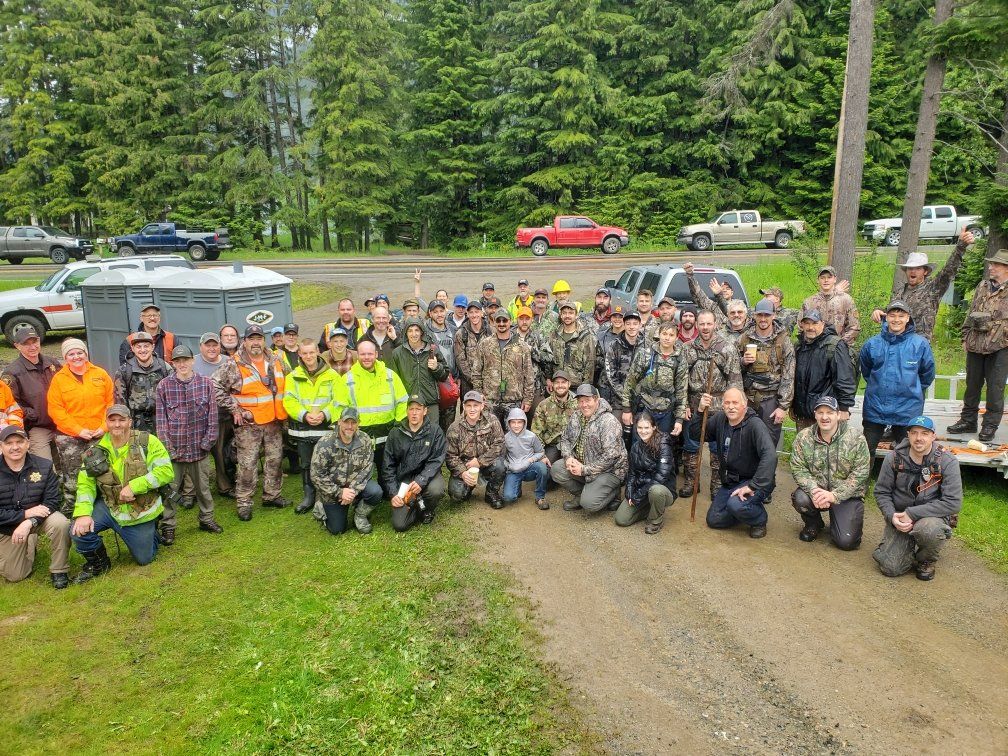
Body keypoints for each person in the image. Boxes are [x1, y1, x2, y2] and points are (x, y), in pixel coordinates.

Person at [69, 405, 174, 583]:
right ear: (106, 423)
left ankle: (151, 534)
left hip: (140, 510)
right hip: (110, 507)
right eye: (112, 420)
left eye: (122, 420)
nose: (117, 424)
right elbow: (85, 485)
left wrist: (135, 486)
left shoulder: (147, 441)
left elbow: (166, 471)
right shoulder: (94, 452)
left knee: (144, 559)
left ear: (130, 422)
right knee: (77, 530)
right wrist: (83, 514)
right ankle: (99, 563)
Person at [873, 415, 963, 581]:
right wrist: (892, 516)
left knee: (928, 530)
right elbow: (881, 492)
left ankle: (926, 560)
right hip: (901, 519)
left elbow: (953, 502)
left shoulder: (948, 461)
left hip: (931, 518)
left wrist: (913, 513)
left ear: (933, 436)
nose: (919, 438)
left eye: (924, 433)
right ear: (908, 435)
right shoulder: (893, 458)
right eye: (914, 432)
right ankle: (898, 545)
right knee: (890, 568)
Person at [213, 324, 289, 521]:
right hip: (248, 425)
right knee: (247, 465)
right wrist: (233, 407)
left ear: (264, 340)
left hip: (274, 421)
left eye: (259, 338)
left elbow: (290, 380)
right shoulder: (234, 364)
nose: (255, 342)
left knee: (275, 460)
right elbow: (214, 386)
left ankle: (272, 495)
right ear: (244, 342)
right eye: (251, 339)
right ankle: (244, 503)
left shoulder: (276, 359)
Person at [155, 345, 221, 544]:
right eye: (177, 361)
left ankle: (207, 519)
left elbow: (213, 417)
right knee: (171, 491)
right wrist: (168, 448)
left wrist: (207, 442)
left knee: (203, 489)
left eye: (185, 360)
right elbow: (161, 421)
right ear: (173, 363)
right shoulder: (163, 386)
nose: (182, 364)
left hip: (199, 449)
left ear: (193, 361)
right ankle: (168, 526)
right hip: (174, 452)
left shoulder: (206, 384)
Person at [789, 396, 870, 549]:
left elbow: (861, 473)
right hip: (817, 491)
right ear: (815, 415)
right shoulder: (803, 437)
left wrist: (835, 495)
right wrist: (813, 489)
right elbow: (798, 468)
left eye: (830, 412)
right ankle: (814, 524)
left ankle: (839, 523)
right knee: (800, 498)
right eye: (820, 412)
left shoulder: (856, 438)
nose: (824, 417)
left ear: (838, 415)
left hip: (847, 496)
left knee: (846, 542)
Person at [678, 311, 743, 498]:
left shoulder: (726, 348)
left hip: (720, 406)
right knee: (691, 445)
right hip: (694, 404)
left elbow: (735, 380)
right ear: (697, 325)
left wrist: (733, 408)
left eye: (709, 324)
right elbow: (681, 380)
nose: (705, 327)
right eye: (702, 324)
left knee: (718, 448)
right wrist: (684, 405)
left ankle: (716, 485)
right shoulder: (687, 348)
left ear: (715, 324)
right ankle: (691, 482)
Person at [859, 300, 935, 460]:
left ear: (908, 318)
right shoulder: (872, 344)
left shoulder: (920, 344)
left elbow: (927, 374)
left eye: (901, 315)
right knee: (866, 451)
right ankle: (861, 484)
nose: (896, 319)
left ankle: (903, 484)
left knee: (907, 453)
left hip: (907, 408)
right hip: (875, 407)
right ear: (886, 318)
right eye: (892, 315)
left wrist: (911, 389)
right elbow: (867, 371)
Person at [47, 339, 114, 515]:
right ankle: (72, 508)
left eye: (79, 352)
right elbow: (55, 409)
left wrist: (103, 427)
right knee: (72, 475)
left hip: (98, 433)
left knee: (102, 470)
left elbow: (110, 402)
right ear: (65, 357)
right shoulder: (59, 380)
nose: (76, 357)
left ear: (85, 354)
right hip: (70, 437)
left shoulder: (100, 374)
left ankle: (104, 505)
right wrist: (78, 430)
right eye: (71, 354)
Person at [948, 247, 1008, 442]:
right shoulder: (983, 286)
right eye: (991, 264)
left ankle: (990, 425)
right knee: (972, 386)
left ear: (1006, 268)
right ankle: (968, 420)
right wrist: (965, 336)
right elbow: (971, 313)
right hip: (975, 344)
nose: (991, 267)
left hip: (1000, 347)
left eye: (995, 264)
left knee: (995, 388)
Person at [698, 388, 777, 538]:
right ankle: (741, 510)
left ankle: (759, 519)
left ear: (744, 405)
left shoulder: (755, 425)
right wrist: (700, 411)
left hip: (754, 481)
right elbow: (699, 435)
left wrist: (753, 485)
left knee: (736, 505)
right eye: (727, 403)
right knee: (714, 520)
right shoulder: (720, 419)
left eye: (735, 402)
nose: (731, 406)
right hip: (731, 481)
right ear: (722, 405)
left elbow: (770, 456)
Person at [872, 229, 974, 341]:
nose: (913, 271)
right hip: (896, 343)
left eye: (918, 268)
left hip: (919, 345)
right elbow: (891, 312)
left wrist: (961, 246)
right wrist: (878, 311)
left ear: (925, 271)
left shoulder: (933, 288)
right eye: (910, 268)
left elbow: (948, 270)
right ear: (906, 271)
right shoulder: (900, 291)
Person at [0, 425, 68, 589]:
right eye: (9, 443)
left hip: (37, 519)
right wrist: (24, 514)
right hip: (5, 526)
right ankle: (30, 544)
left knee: (61, 522)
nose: (15, 447)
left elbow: (52, 501)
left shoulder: (44, 466)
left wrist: (29, 521)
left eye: (19, 442)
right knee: (15, 575)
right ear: (1, 446)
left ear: (28, 443)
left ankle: (59, 570)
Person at [334, 339, 409, 476]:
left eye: (370, 354)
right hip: (359, 436)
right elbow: (339, 408)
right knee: (363, 485)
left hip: (387, 435)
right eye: (363, 354)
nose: (366, 357)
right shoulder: (347, 379)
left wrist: (398, 424)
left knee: (387, 479)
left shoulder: (390, 376)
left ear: (376, 354)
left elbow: (403, 402)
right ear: (357, 355)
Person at [283, 339, 341, 516]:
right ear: (299, 354)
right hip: (304, 429)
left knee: (327, 464)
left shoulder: (333, 376)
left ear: (317, 351)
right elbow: (289, 400)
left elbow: (339, 400)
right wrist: (304, 415)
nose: (308, 356)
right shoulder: (292, 377)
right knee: (307, 464)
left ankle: (325, 496)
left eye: (311, 352)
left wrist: (325, 414)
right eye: (304, 353)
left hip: (326, 429)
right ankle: (309, 496)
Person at [551, 384, 628, 513]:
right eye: (581, 401)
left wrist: (584, 469)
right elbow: (565, 439)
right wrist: (568, 457)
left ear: (596, 399)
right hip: (584, 466)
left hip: (609, 471)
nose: (584, 405)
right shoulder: (576, 416)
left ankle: (614, 493)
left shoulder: (608, 421)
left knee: (589, 504)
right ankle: (583, 494)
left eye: (588, 400)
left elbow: (611, 456)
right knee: (557, 469)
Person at [310, 407, 384, 535]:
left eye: (353, 422)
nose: (350, 426)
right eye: (346, 422)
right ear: (339, 422)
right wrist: (339, 493)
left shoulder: (365, 439)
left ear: (358, 423)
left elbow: (367, 468)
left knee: (376, 492)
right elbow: (317, 475)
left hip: (355, 486)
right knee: (337, 529)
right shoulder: (325, 443)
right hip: (333, 489)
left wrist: (353, 491)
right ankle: (320, 502)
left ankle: (360, 515)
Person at [382, 397, 447, 531]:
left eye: (418, 409)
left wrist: (421, 480)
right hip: (404, 481)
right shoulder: (395, 433)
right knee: (400, 525)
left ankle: (426, 507)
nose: (414, 413)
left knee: (436, 490)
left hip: (427, 477)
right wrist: (393, 493)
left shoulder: (435, 431)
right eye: (411, 409)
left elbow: (436, 460)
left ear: (425, 411)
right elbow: (388, 466)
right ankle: (418, 506)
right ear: (407, 411)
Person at [738, 298, 795, 447]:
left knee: (768, 445)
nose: (763, 319)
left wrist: (782, 407)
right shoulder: (744, 338)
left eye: (767, 315)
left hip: (771, 400)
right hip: (748, 399)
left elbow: (789, 375)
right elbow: (732, 368)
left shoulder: (783, 341)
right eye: (760, 315)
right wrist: (743, 361)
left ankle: (768, 471)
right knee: (745, 442)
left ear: (774, 315)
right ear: (754, 316)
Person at [792, 309, 856, 432]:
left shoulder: (835, 345)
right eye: (807, 323)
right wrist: (793, 406)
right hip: (803, 414)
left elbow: (845, 378)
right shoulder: (799, 346)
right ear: (802, 325)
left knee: (827, 449)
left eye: (815, 323)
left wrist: (844, 408)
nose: (811, 327)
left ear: (823, 324)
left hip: (826, 414)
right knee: (803, 449)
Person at [622, 320, 688, 440]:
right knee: (639, 444)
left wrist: (679, 419)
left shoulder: (680, 360)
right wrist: (626, 409)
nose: (667, 338)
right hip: (644, 406)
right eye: (664, 334)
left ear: (676, 337)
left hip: (666, 411)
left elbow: (681, 391)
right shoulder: (645, 354)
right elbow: (630, 382)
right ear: (659, 335)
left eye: (671, 335)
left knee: (662, 447)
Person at [1, 326, 59, 460]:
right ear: (17, 346)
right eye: (26, 344)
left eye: (34, 342)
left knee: (70, 463)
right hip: (39, 426)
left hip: (62, 422)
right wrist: (32, 414)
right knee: (44, 466)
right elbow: (10, 403)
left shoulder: (53, 363)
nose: (32, 347)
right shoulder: (11, 373)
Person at [614, 412, 676, 534]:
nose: (643, 431)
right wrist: (630, 492)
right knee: (621, 519)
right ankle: (650, 508)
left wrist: (638, 496)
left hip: (663, 489)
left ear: (654, 427)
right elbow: (632, 473)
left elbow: (661, 477)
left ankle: (655, 520)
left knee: (656, 491)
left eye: (646, 427)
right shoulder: (636, 446)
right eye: (640, 428)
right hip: (642, 489)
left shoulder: (664, 444)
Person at [472, 310, 535, 428]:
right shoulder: (485, 344)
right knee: (489, 435)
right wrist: (479, 393)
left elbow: (529, 374)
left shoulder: (521, 346)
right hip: (490, 400)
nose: (501, 323)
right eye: (498, 320)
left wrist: (528, 399)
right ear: (494, 322)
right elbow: (476, 372)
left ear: (510, 322)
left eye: (504, 320)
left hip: (514, 401)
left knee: (513, 436)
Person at [445, 390, 506, 507]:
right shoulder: (455, 427)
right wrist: (462, 472)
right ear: (463, 406)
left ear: (482, 406)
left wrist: (480, 461)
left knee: (500, 465)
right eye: (469, 406)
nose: (472, 409)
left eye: (476, 405)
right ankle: (469, 485)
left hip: (487, 462)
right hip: (466, 466)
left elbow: (500, 443)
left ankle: (491, 493)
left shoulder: (492, 421)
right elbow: (450, 455)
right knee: (457, 495)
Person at [193, 332, 233, 497]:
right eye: (207, 345)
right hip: (198, 417)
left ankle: (225, 486)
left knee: (222, 452)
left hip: (223, 416)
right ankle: (194, 491)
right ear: (201, 346)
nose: (211, 348)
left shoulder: (228, 361)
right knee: (196, 455)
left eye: (214, 345)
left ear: (219, 346)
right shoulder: (193, 362)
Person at [389, 316, 449, 425]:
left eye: (417, 330)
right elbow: (393, 380)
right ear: (405, 333)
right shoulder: (397, 353)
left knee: (432, 435)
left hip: (430, 402)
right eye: (410, 330)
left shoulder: (432, 350)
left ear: (422, 332)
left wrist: (436, 368)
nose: (414, 334)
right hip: (408, 403)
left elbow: (445, 375)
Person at [114, 331, 172, 434]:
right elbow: (120, 403)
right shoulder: (124, 371)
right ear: (132, 348)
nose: (142, 350)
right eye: (138, 347)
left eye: (146, 346)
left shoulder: (165, 368)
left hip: (162, 423)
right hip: (135, 426)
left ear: (152, 347)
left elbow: (173, 397)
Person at [501, 408, 550, 510]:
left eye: (519, 422)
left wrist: (530, 460)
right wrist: (510, 466)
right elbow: (502, 457)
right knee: (509, 498)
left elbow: (540, 452)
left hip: (529, 467)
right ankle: (517, 488)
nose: (516, 425)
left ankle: (540, 497)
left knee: (542, 468)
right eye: (513, 422)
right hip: (513, 469)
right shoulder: (505, 438)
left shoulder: (531, 436)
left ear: (524, 422)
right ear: (508, 423)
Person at [605, 309, 644, 432]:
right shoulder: (614, 345)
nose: (632, 327)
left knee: (641, 433)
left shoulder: (648, 345)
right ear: (624, 324)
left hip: (642, 401)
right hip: (619, 400)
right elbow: (611, 376)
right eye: (628, 323)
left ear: (640, 325)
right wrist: (626, 399)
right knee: (615, 430)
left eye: (635, 323)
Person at [801, 265, 860, 345]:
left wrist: (840, 344)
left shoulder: (846, 300)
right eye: (822, 277)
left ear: (835, 279)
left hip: (839, 349)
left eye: (829, 277)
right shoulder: (809, 302)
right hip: (814, 349)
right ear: (818, 280)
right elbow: (801, 328)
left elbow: (854, 327)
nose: (826, 280)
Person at [530, 370, 577, 468]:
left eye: (563, 382)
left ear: (569, 384)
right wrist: (541, 455)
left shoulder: (578, 403)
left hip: (573, 445)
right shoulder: (544, 405)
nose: (560, 385)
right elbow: (536, 433)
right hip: (553, 446)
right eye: (557, 382)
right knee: (543, 469)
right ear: (552, 384)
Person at [424, 299, 457, 430]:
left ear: (445, 311)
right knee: (433, 423)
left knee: (449, 423)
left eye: (441, 311)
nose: (439, 314)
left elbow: (458, 354)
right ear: (430, 314)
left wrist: (457, 376)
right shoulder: (424, 332)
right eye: (435, 312)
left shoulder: (453, 330)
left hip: (450, 380)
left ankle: (447, 449)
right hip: (433, 382)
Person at [546, 302, 596, 385]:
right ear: (561, 315)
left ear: (576, 315)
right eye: (564, 313)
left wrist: (585, 387)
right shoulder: (554, 335)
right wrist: (548, 378)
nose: (567, 316)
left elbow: (590, 364)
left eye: (571, 313)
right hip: (558, 385)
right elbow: (549, 359)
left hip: (577, 385)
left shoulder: (585, 336)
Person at [454, 301, 489, 398]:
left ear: (481, 313)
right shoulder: (461, 334)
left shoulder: (491, 332)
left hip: (488, 383)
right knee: (468, 410)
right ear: (467, 314)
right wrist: (474, 380)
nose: (474, 315)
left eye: (476, 312)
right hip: (468, 384)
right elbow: (460, 360)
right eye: (471, 312)